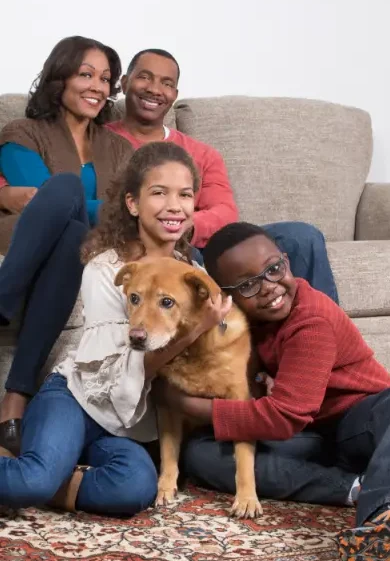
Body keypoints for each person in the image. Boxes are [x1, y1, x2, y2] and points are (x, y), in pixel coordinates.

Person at [0, 142, 230, 516]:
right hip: (76, 399)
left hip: (126, 425)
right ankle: (39, 478)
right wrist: (195, 329)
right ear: (133, 204)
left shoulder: (196, 276)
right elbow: (129, 361)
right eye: (159, 193)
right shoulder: (107, 268)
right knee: (34, 479)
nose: (175, 205)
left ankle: (55, 480)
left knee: (134, 488)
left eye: (185, 195)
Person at [154, 222, 390, 561]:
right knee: (202, 454)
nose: (269, 288)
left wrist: (182, 403)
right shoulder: (242, 324)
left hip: (363, 421)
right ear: (226, 295)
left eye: (274, 269)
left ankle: (379, 522)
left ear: (287, 261)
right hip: (314, 437)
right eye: (249, 284)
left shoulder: (310, 318)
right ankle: (354, 487)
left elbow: (283, 417)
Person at [107, 48, 338, 301]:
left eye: (167, 83)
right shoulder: (102, 143)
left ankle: (324, 333)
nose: (154, 88)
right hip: (168, 247)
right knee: (182, 256)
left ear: (174, 95)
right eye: (145, 77)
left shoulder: (203, 153)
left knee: (302, 237)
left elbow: (225, 213)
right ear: (125, 82)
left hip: (207, 242)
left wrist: (185, 223)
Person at [0, 36, 133, 453]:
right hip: (24, 234)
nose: (98, 86)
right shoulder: (22, 131)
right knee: (64, 190)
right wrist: (95, 203)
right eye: (86, 74)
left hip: (84, 241)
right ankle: (16, 398)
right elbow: (42, 202)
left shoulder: (119, 147)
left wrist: (91, 206)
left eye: (106, 79)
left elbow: (127, 211)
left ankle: (14, 396)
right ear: (60, 78)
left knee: (74, 231)